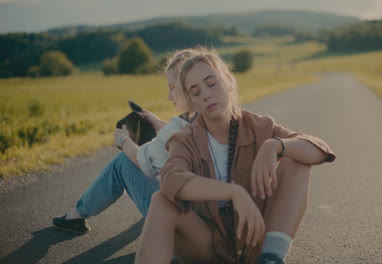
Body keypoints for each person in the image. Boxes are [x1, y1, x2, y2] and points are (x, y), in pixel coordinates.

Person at [135, 49, 336, 264]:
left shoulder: (260, 126)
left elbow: (319, 149)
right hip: (207, 247)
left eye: (212, 83)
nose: (206, 94)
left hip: (254, 242)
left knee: (296, 155)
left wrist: (274, 146)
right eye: (195, 92)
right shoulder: (183, 140)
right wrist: (233, 192)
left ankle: (271, 258)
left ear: (229, 81)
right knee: (160, 201)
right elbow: (170, 180)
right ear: (192, 102)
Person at [52, 48, 200, 234]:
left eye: (172, 87)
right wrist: (157, 123)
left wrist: (124, 141)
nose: (169, 96)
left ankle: (75, 216)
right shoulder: (215, 117)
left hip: (185, 231)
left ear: (189, 85)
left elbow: (142, 161)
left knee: (123, 162)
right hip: (213, 223)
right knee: (168, 170)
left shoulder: (180, 126)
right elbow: (182, 137)